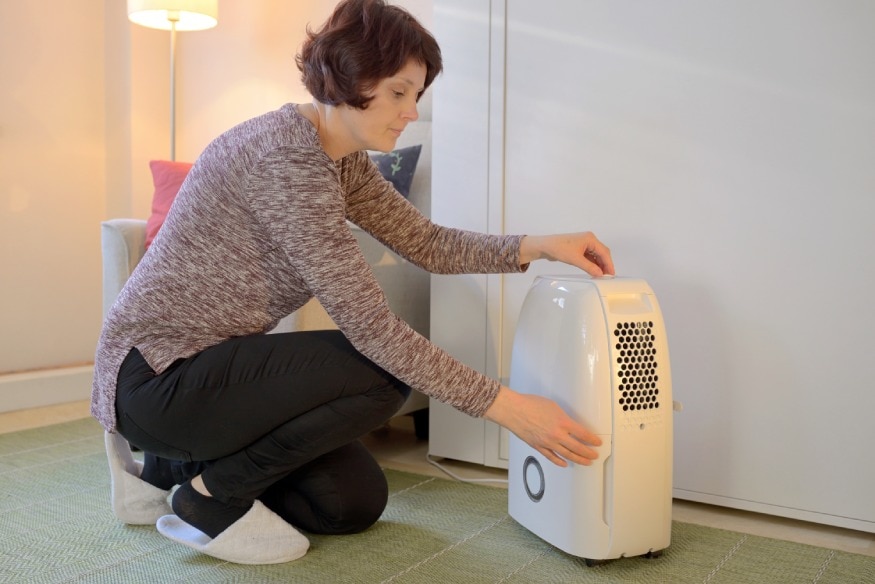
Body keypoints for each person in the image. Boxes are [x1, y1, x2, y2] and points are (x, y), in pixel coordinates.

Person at [92, 0, 615, 565]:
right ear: (347, 74)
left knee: (350, 503)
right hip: (155, 379)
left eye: (417, 95)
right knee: (383, 370)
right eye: (398, 92)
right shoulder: (288, 160)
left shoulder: (340, 160)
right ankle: (210, 498)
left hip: (209, 372)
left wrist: (536, 246)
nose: (411, 111)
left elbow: (429, 245)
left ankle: (164, 471)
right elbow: (373, 330)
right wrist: (509, 408)